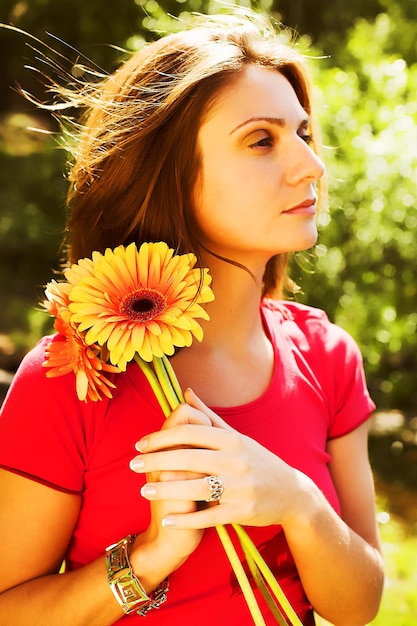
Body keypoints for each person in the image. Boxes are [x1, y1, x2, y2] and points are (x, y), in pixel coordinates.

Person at [0, 10, 384, 626]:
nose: (311, 165)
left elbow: (360, 605)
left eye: (304, 134)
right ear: (171, 177)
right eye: (262, 140)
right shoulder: (72, 376)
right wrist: (149, 557)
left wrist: (297, 502)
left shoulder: (329, 357)